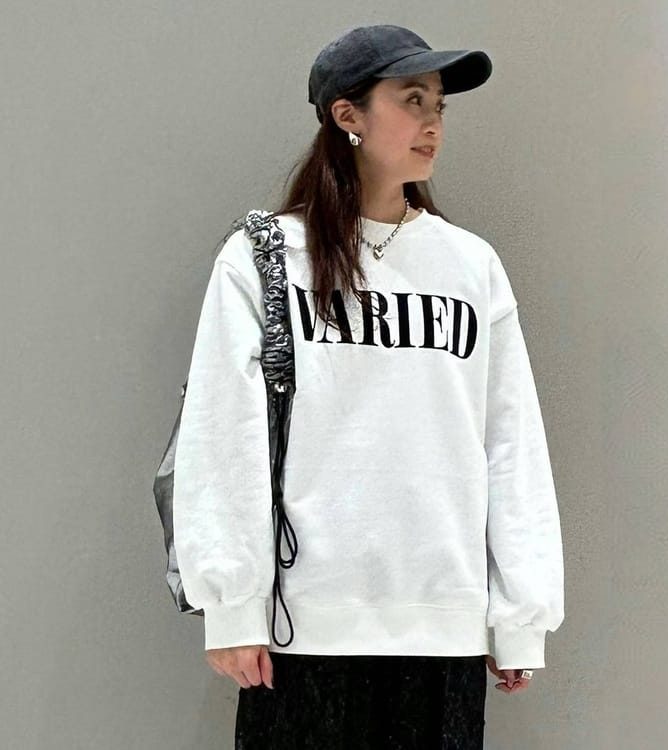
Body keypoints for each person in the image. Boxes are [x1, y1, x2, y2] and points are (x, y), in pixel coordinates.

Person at [172, 23, 565, 749]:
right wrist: (232, 608)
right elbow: (223, 435)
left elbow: (509, 442)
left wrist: (520, 616)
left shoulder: (470, 266)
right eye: (412, 99)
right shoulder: (265, 258)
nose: (433, 122)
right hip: (303, 631)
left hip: (442, 630)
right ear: (347, 114)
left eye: (439, 104)